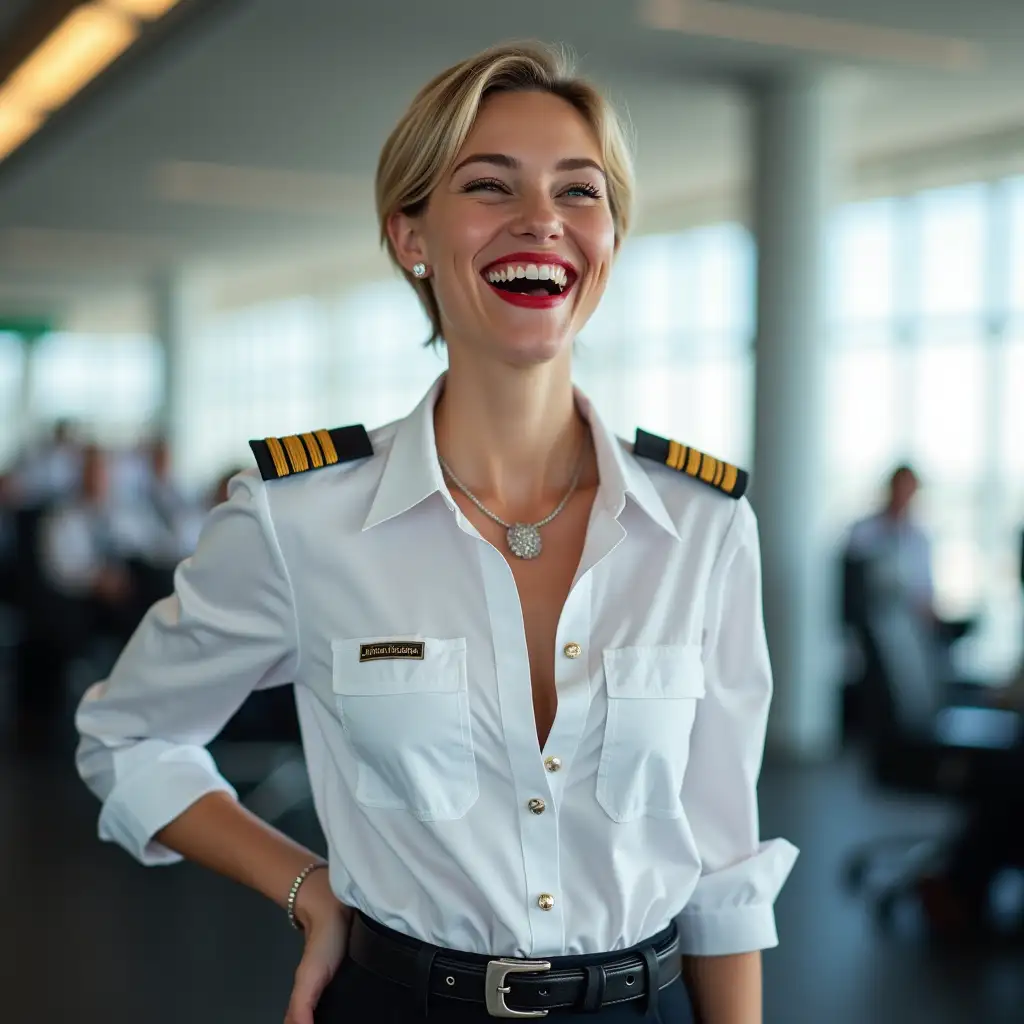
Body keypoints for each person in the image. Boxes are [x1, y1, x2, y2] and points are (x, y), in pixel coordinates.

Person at [74, 42, 797, 1024]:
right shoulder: (300, 517)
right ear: (409, 234)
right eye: (489, 186)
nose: (540, 218)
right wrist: (304, 885)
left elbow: (723, 865)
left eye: (577, 192)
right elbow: (129, 736)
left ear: (610, 243)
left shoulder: (703, 525)